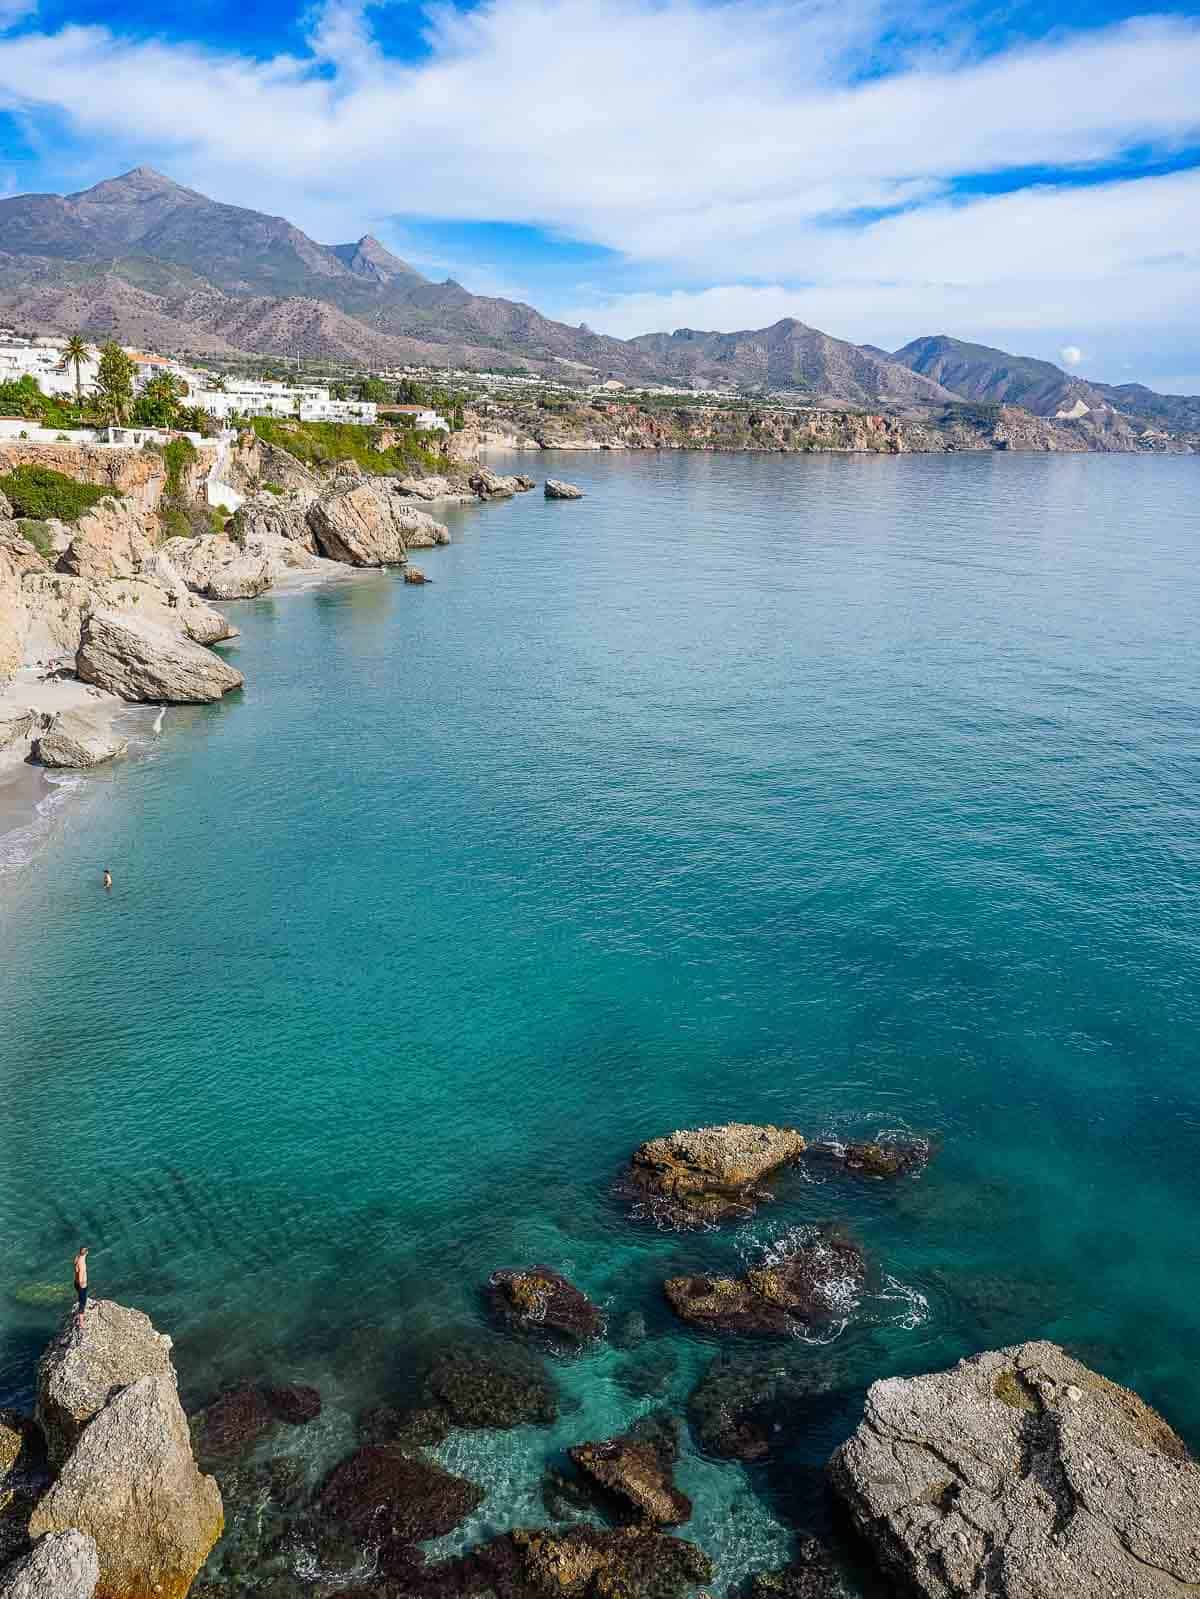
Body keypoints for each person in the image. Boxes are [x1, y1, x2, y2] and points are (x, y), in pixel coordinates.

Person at [73, 1246, 89, 1325]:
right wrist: (82, 1285)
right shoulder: (82, 1264)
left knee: (80, 1299)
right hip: (81, 1285)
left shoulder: (77, 1258)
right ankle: (81, 1321)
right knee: (83, 1302)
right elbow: (80, 1275)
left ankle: (80, 1314)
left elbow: (76, 1268)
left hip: (75, 1283)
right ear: (86, 1253)